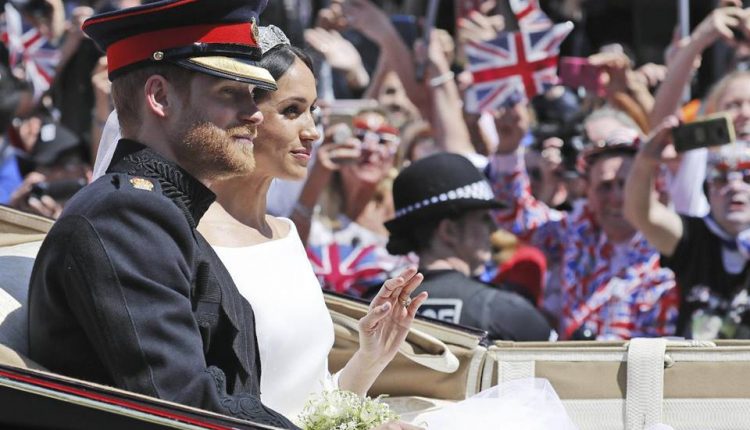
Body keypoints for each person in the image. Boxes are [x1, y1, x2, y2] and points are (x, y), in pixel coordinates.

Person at [26, 1, 297, 427]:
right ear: (159, 97)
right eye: (230, 93)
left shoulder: (159, 210)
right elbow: (184, 409)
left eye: (254, 94)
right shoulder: (126, 216)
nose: (255, 114)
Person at [194, 26, 428, 420]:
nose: (313, 132)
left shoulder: (285, 234)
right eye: (291, 111)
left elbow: (314, 405)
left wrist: (370, 357)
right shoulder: (192, 237)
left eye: (312, 112)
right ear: (242, 116)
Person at [487, 119, 679, 340]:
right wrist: (507, 150)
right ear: (588, 190)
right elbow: (515, 216)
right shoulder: (575, 234)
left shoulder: (674, 244)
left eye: (626, 185)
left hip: (648, 361)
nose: (617, 198)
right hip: (574, 360)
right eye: (605, 186)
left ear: (652, 188)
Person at [384, 152, 552, 341]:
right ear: (449, 231)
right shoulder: (509, 314)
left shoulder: (372, 307)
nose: (494, 229)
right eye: (484, 218)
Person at [625, 114, 750, 339]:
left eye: (747, 177)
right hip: (697, 360)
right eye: (721, 178)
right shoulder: (694, 236)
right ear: (707, 190)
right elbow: (641, 214)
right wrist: (646, 160)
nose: (734, 186)